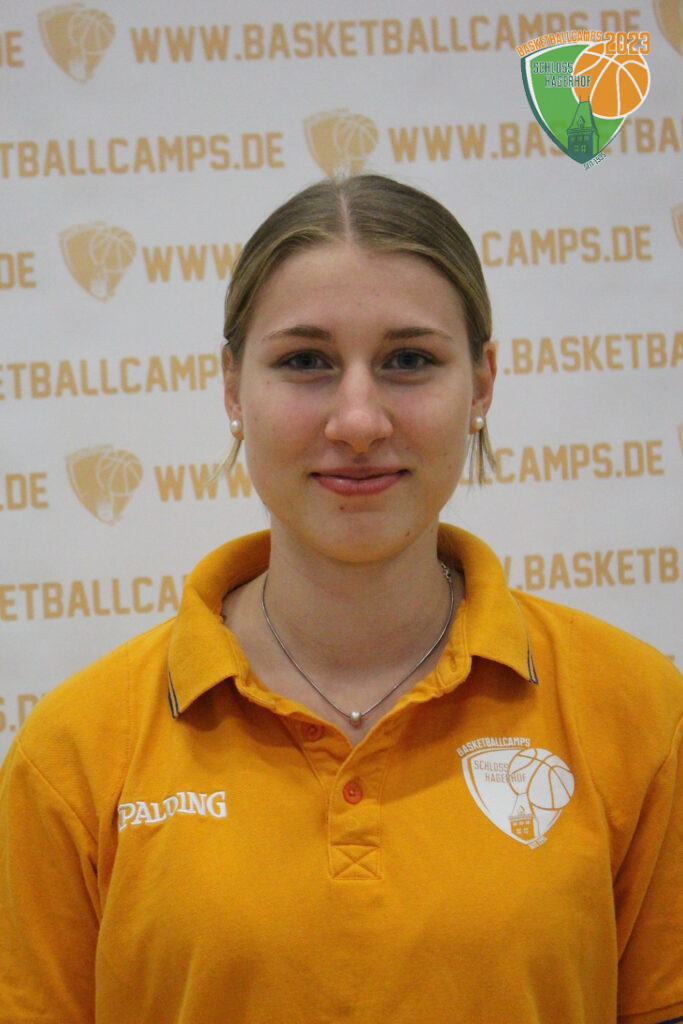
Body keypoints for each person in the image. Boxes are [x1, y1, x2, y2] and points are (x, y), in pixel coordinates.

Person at [0, 174, 681, 1024]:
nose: (358, 421)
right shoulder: (74, 753)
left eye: (408, 360)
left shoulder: (637, 713)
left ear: (481, 385)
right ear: (231, 389)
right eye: (305, 362)